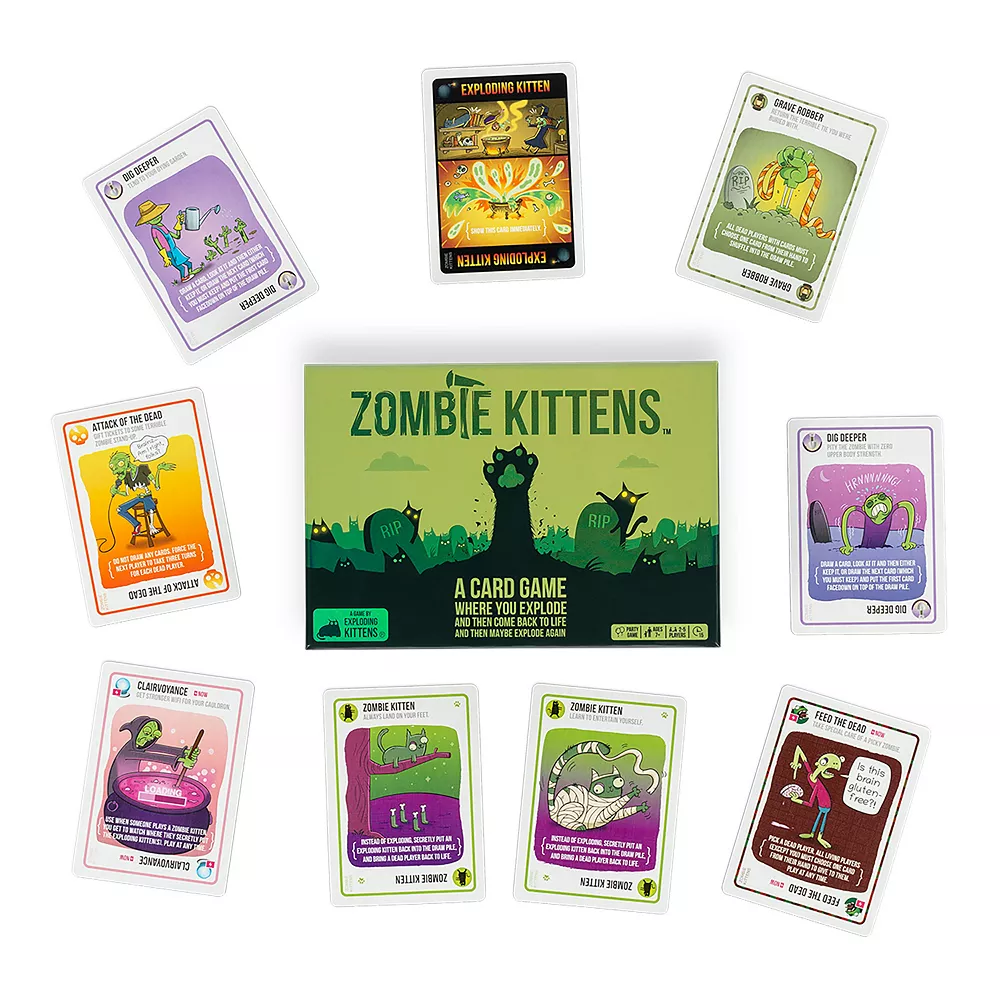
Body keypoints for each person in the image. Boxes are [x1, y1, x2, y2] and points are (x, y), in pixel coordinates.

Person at [107, 716, 200, 796]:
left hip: (130, 787)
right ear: (136, 731)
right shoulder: (127, 752)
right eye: (147, 733)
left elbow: (161, 748)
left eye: (155, 735)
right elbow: (151, 756)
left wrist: (185, 752)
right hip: (116, 793)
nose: (150, 738)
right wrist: (180, 759)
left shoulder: (139, 746)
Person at [108, 449, 175, 536]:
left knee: (149, 508)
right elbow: (126, 493)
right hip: (138, 498)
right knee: (120, 509)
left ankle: (152, 526)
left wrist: (159, 470)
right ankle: (136, 524)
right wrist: (117, 491)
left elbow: (156, 486)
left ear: (123, 462)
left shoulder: (143, 468)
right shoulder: (127, 476)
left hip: (147, 496)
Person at [134, 199, 202, 282]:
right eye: (152, 218)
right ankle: (183, 278)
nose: (157, 217)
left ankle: (190, 273)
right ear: (147, 222)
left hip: (175, 249)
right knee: (181, 268)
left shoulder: (162, 226)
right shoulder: (154, 230)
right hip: (168, 252)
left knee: (188, 263)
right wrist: (165, 257)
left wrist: (179, 223)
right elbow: (158, 244)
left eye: (157, 214)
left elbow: (177, 236)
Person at [789, 746, 844, 849]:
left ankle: (819, 837)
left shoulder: (817, 786)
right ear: (817, 763)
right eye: (824, 762)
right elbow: (799, 749)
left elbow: (810, 803)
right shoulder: (810, 774)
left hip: (825, 805)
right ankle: (812, 834)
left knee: (822, 818)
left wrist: (796, 800)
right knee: (819, 817)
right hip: (822, 803)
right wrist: (795, 762)